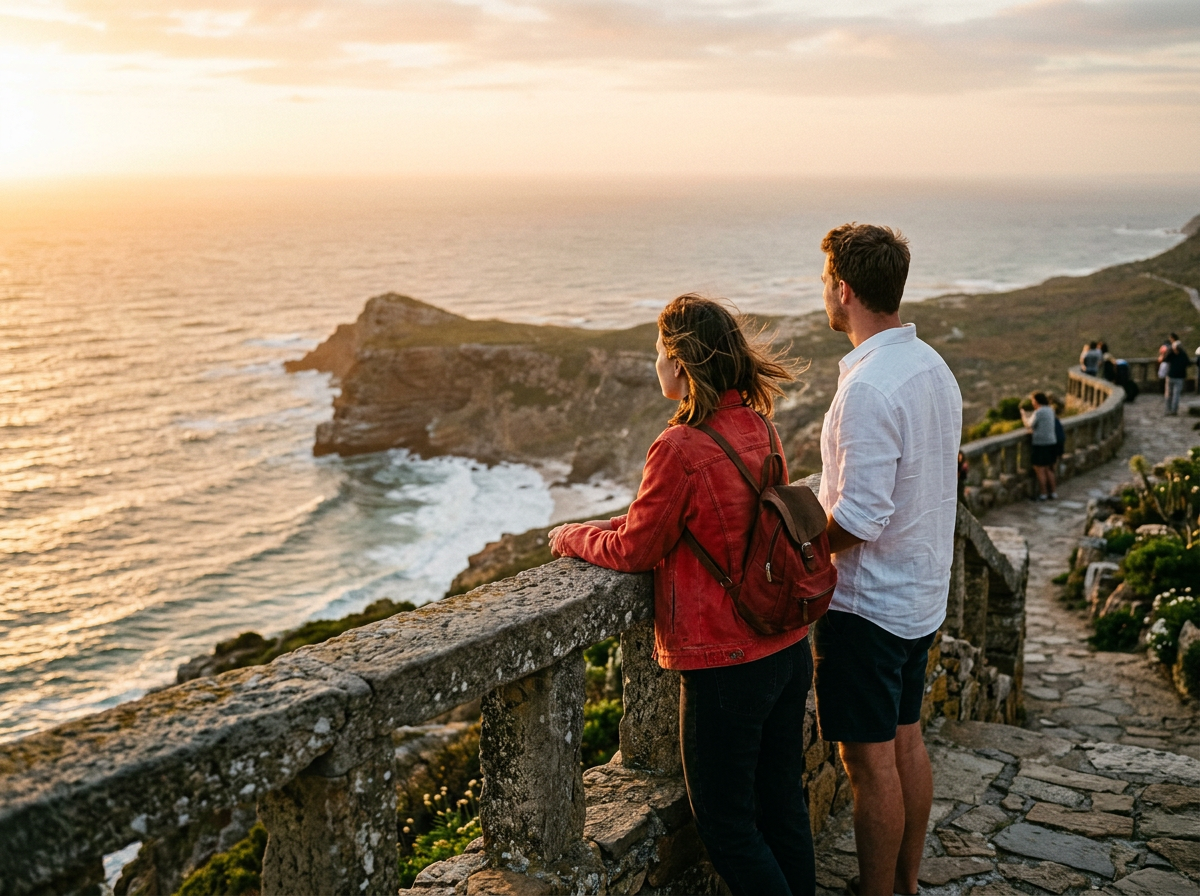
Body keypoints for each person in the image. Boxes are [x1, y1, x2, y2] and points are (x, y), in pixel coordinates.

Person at [549, 295, 814, 896]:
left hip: (726, 662)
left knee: (725, 826)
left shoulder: (679, 447)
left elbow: (636, 550)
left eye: (657, 352)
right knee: (782, 808)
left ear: (677, 358)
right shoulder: (760, 424)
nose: (655, 364)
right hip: (787, 645)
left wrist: (571, 534)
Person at [813, 224, 961, 896]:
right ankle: (905, 885)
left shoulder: (870, 388)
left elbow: (860, 518)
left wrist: (798, 542)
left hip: (868, 608)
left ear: (844, 290)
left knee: (870, 765)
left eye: (825, 281)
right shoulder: (933, 366)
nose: (825, 292)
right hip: (921, 595)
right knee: (907, 743)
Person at [1023, 392, 1058, 499]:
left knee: (1039, 469)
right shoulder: (1050, 410)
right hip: (1051, 442)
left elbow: (1029, 424)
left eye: (1033, 400)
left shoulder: (1039, 412)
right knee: (1048, 468)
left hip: (1040, 443)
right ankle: (1053, 493)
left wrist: (1024, 416)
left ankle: (1043, 494)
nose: (1032, 403)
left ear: (1037, 401)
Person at [1164, 337, 1190, 415]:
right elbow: (1188, 363)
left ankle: (1168, 410)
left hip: (1171, 376)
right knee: (1176, 395)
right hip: (1179, 377)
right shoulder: (1183, 355)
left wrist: (1169, 351)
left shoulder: (1171, 354)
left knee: (1169, 394)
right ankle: (1174, 410)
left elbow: (1165, 359)